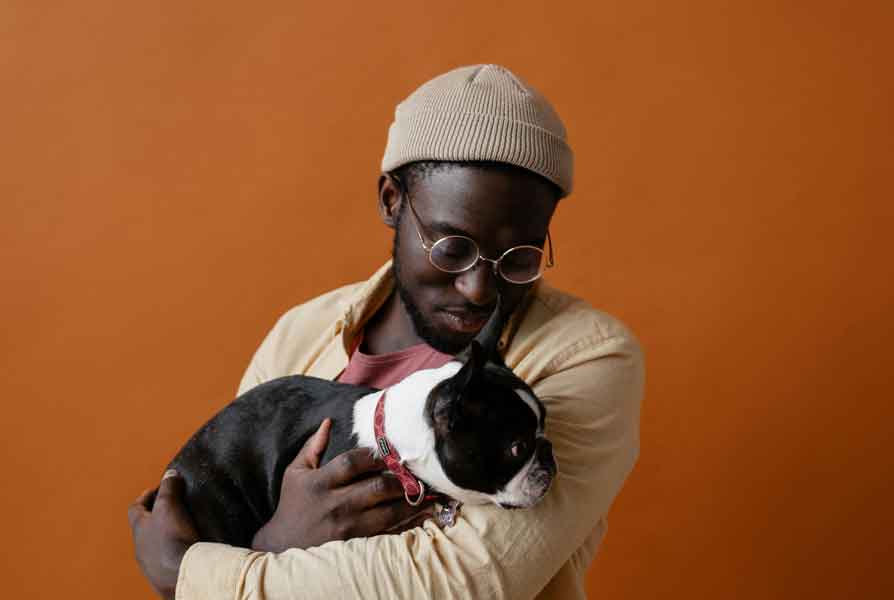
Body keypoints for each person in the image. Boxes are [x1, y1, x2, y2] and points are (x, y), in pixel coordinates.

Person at [128, 64, 644, 600]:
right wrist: (269, 544)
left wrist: (193, 570)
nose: (477, 289)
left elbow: (458, 581)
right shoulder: (299, 335)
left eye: (520, 258)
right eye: (452, 246)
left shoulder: (589, 356)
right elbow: (228, 511)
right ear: (392, 201)